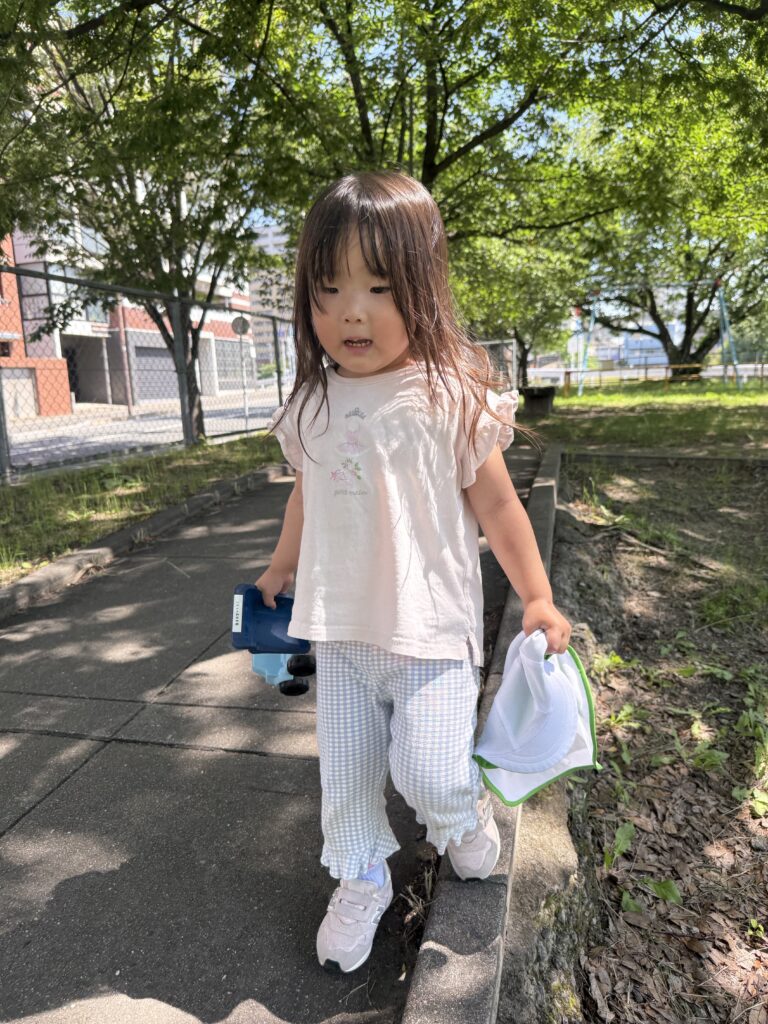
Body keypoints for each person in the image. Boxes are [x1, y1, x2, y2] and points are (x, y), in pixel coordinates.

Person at [256, 169, 572, 974]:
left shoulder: (449, 396)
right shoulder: (312, 404)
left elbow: (498, 507)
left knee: (427, 769)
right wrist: (282, 567)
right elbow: (306, 496)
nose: (350, 312)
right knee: (347, 778)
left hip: (430, 633)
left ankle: (459, 813)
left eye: (378, 287)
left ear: (422, 288)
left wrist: (535, 596)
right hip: (341, 635)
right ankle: (361, 874)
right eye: (328, 290)